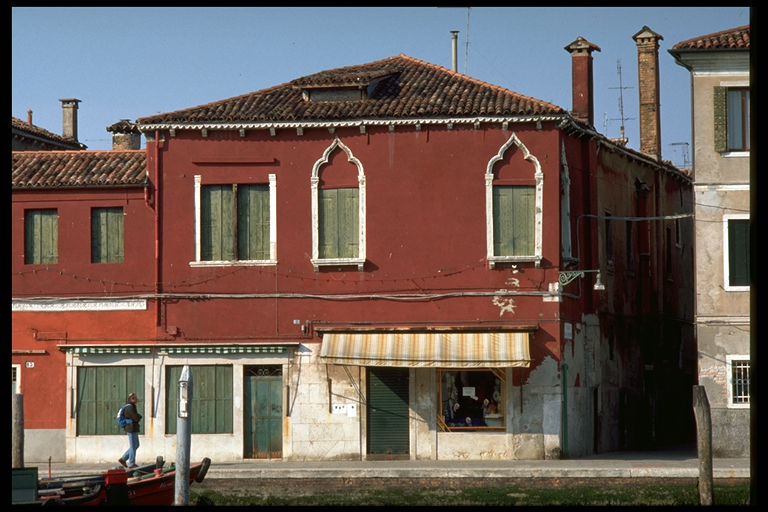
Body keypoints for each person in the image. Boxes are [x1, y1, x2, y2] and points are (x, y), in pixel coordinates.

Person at [118, 392, 142, 469]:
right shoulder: (130, 407)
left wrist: (137, 417)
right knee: (133, 446)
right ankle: (131, 463)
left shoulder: (131, 406)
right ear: (130, 399)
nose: (134, 399)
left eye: (134, 397)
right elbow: (136, 418)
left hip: (133, 428)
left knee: (136, 445)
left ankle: (123, 458)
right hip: (130, 428)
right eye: (133, 398)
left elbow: (135, 417)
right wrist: (139, 416)